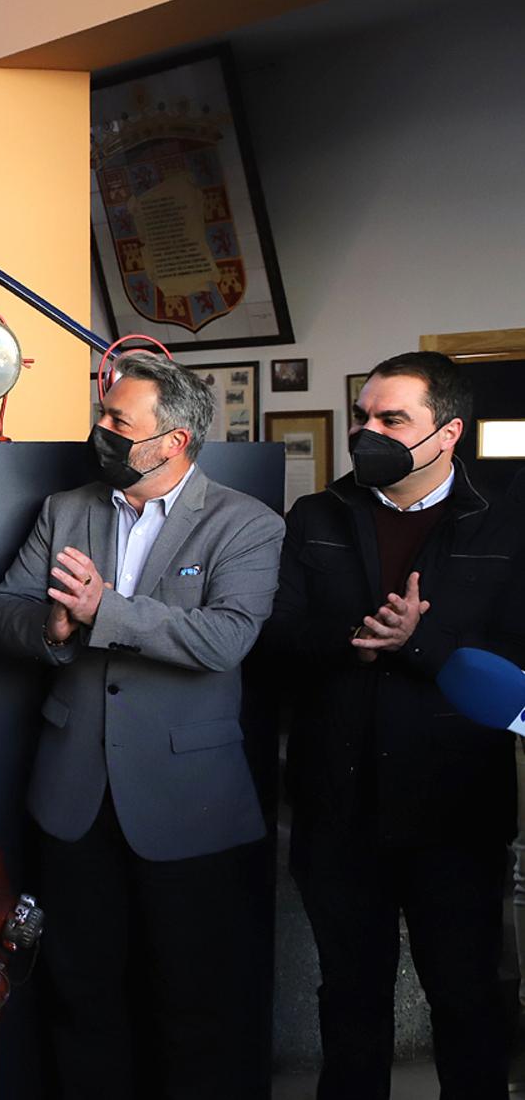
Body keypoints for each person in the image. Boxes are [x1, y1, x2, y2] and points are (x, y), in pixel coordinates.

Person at [0, 351, 284, 1099]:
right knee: (81, 997)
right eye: (104, 413)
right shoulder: (66, 509)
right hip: (74, 799)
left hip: (190, 807)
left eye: (119, 420)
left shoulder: (247, 525)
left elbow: (224, 639)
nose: (101, 430)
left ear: (171, 440)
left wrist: (102, 611)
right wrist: (52, 626)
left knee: (192, 1007)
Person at [263, 351, 525, 1098]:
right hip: (336, 812)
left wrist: (420, 642)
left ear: (447, 433)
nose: (365, 431)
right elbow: (274, 638)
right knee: (349, 1004)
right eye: (362, 416)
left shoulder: (504, 523)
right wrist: (358, 634)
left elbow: (514, 660)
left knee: (466, 1001)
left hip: (455, 813)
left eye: (390, 419)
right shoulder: (315, 516)